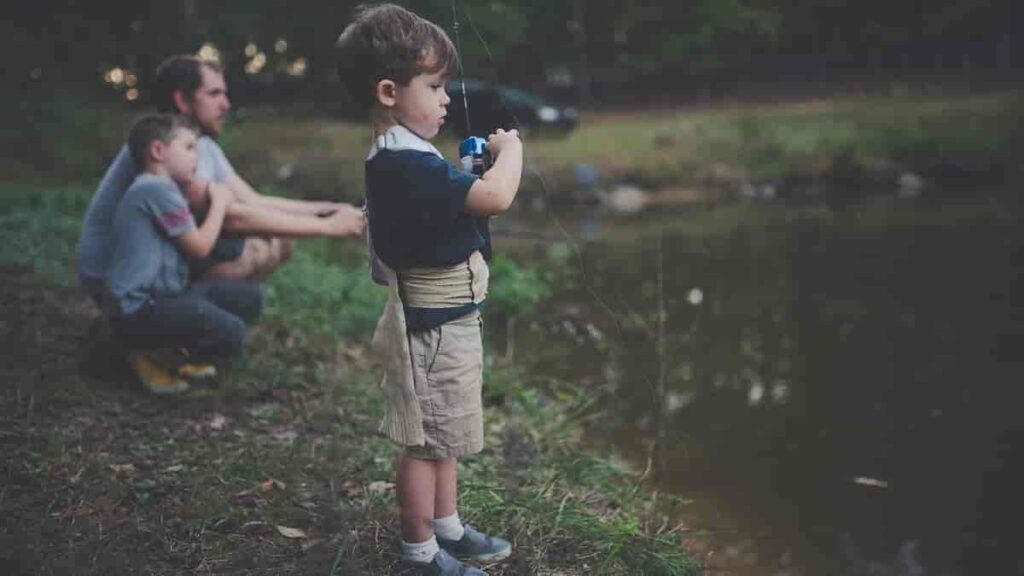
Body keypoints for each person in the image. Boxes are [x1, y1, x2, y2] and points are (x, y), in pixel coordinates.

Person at [335, 4, 523, 575]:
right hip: (433, 329)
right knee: (425, 442)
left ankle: (447, 526)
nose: (446, 98)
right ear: (390, 90)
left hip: (451, 321)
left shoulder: (410, 156)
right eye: (435, 86)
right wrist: (509, 153)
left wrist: (468, 171)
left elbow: (450, 206)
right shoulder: (403, 162)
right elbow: (493, 199)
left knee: (447, 434)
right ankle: (420, 553)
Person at [76, 54, 364, 301]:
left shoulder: (201, 145)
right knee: (254, 250)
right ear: (182, 100)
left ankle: (193, 326)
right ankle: (164, 334)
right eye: (214, 94)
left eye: (224, 94)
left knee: (279, 240)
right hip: (110, 274)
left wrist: (328, 208)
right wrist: (328, 227)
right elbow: (232, 217)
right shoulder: (167, 150)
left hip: (149, 263)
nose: (226, 104)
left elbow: (253, 200)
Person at [102, 114, 262, 395]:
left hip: (162, 299)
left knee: (248, 297)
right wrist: (220, 204)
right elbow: (199, 246)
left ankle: (168, 350)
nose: (196, 159)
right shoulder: (155, 189)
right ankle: (151, 354)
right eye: (189, 148)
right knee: (231, 333)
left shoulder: (162, 189)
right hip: (136, 310)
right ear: (158, 151)